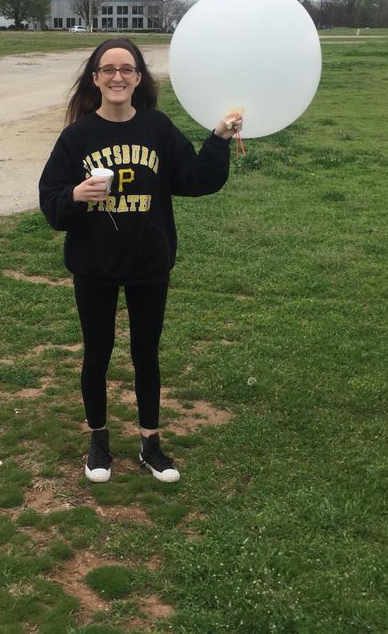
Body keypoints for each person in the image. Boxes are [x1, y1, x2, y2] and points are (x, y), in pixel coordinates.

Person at [38, 38, 242, 483]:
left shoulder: (157, 129)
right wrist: (75, 195)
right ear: (95, 79)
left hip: (149, 262)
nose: (117, 77)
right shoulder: (77, 137)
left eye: (126, 69)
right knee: (97, 352)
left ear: (139, 78)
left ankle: (150, 442)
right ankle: (99, 442)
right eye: (107, 69)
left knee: (146, 354)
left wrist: (219, 138)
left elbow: (194, 179)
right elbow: (51, 205)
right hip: (94, 264)